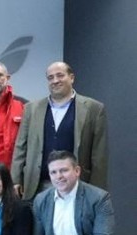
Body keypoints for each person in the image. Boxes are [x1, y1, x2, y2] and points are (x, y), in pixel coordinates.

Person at [12, 61, 108, 201]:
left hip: (77, 187)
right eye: (50, 78)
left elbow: (99, 156)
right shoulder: (31, 109)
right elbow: (20, 147)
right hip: (37, 186)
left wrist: (96, 192)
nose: (55, 81)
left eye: (60, 75)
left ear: (72, 77)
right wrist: (15, 180)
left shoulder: (94, 109)